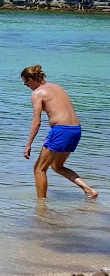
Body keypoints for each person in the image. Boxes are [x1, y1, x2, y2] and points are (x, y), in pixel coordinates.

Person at [21, 65, 95, 200]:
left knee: (39, 169)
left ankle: (41, 206)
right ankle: (88, 190)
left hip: (61, 130)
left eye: (26, 84)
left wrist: (28, 145)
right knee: (57, 166)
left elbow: (36, 122)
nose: (28, 87)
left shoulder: (37, 93)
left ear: (32, 79)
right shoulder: (57, 87)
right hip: (75, 130)